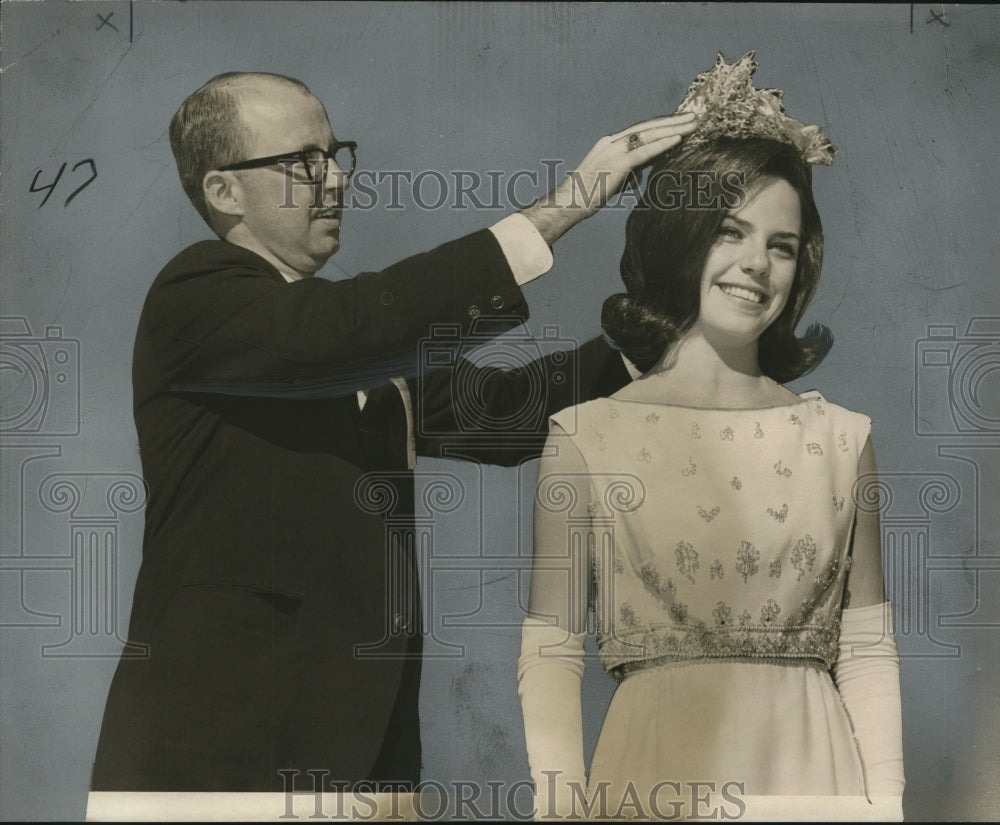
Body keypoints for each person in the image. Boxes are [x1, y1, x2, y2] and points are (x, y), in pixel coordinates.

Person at [89, 71, 697, 793]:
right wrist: (568, 203)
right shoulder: (194, 294)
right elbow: (348, 327)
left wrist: (673, 322)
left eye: (336, 154)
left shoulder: (365, 353)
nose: (337, 180)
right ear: (223, 192)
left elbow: (508, 410)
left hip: (367, 764)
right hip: (213, 766)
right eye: (304, 163)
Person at [518, 53, 905, 821]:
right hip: (653, 771)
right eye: (730, 231)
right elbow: (552, 653)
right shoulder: (587, 435)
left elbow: (865, 650)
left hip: (814, 778)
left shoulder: (839, 437)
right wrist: (559, 808)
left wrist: (884, 804)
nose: (757, 264)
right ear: (683, 238)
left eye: (783, 245)